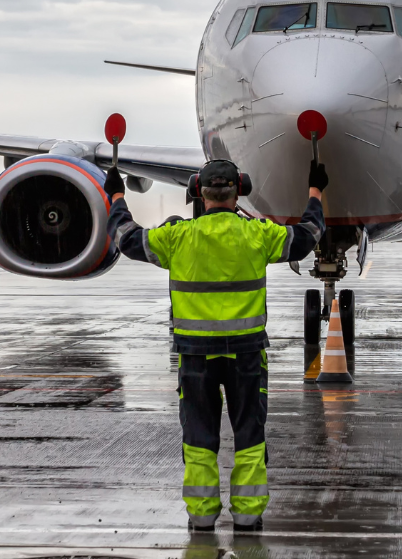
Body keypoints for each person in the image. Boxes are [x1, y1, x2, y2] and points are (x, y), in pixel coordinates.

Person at [104, 157, 328, 531]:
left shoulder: (176, 238)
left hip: (196, 360)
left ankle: (203, 516)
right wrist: (315, 190)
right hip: (246, 356)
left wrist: (116, 196)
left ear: (197, 192)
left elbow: (125, 237)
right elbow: (309, 234)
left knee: (199, 438)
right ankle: (247, 514)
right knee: (250, 437)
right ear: (239, 190)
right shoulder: (258, 234)